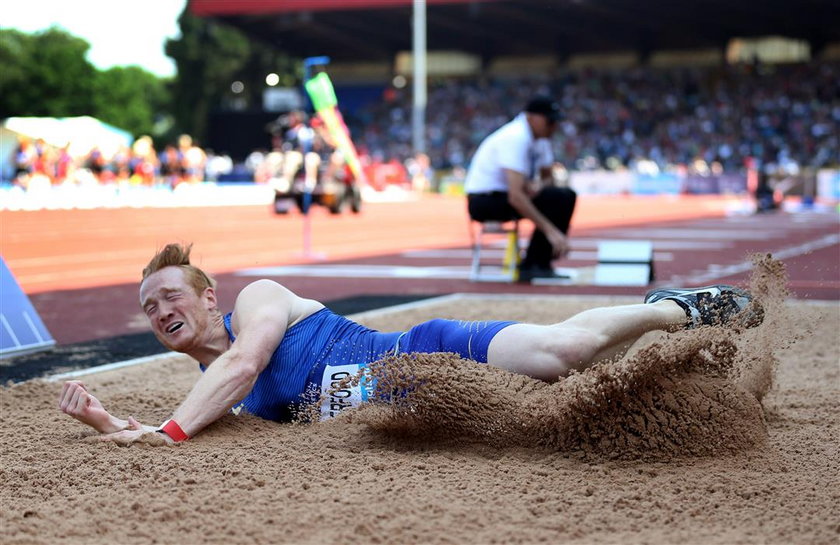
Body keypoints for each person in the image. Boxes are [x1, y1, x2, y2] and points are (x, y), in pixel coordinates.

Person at [58, 243, 762, 444]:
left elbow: (241, 366)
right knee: (571, 396)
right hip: (420, 403)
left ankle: (674, 309)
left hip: (430, 349)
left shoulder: (257, 300)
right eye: (149, 307)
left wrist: (171, 430)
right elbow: (174, 424)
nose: (161, 310)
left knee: (560, 355)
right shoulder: (222, 401)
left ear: (208, 296)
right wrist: (107, 421)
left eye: (171, 294)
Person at [464, 96, 577, 282]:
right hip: (483, 201)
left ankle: (539, 263)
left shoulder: (541, 139)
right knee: (558, 198)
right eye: (550, 121)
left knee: (564, 195)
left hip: (506, 195)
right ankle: (534, 265)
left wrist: (538, 185)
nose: (554, 127)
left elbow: (548, 176)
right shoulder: (515, 138)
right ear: (532, 118)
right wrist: (551, 231)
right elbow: (515, 197)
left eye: (555, 122)